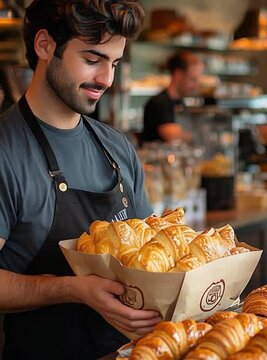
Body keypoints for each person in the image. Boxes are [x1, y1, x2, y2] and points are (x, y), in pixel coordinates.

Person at [0, 1, 162, 358]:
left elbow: (151, 252)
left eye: (114, 63)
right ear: (44, 45)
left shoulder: (117, 147)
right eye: (92, 59)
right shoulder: (6, 152)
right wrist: (71, 289)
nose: (106, 79)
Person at [141, 51, 204, 143]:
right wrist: (201, 134)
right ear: (178, 75)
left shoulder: (181, 102)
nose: (196, 86)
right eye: (193, 79)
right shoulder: (159, 103)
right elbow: (172, 136)